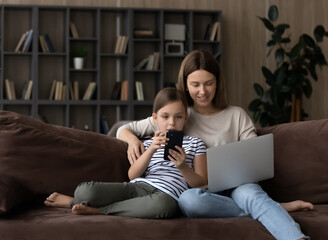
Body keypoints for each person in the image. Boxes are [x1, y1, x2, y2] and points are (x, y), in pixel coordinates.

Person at [117, 50, 314, 239]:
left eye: (209, 83)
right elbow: (123, 130)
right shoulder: (178, 115)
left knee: (250, 194)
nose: (202, 91)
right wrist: (133, 140)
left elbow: (255, 157)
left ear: (218, 83)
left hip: (238, 185)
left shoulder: (236, 115)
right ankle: (270, 207)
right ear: (185, 84)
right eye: (195, 84)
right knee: (188, 200)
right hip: (201, 191)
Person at [44, 88, 207, 219]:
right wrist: (150, 150)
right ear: (155, 118)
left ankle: (98, 211)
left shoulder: (195, 143)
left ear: (185, 118)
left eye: (178, 117)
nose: (172, 122)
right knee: (84, 191)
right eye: (165, 116)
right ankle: (78, 200)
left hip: (168, 196)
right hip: (139, 187)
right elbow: (132, 175)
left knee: (163, 207)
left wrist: (183, 166)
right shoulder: (148, 143)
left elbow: (200, 183)